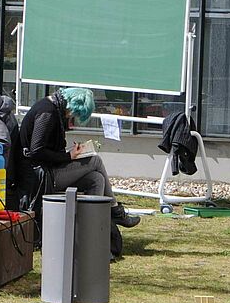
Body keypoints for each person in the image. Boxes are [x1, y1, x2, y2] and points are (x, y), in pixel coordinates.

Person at [19, 87, 140, 228]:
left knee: (96, 178)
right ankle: (115, 211)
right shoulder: (48, 113)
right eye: (73, 115)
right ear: (72, 106)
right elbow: (37, 151)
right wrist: (68, 156)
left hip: (47, 170)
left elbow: (45, 148)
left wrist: (70, 154)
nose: (71, 118)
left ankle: (91, 228)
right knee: (95, 160)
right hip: (41, 175)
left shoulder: (52, 109)